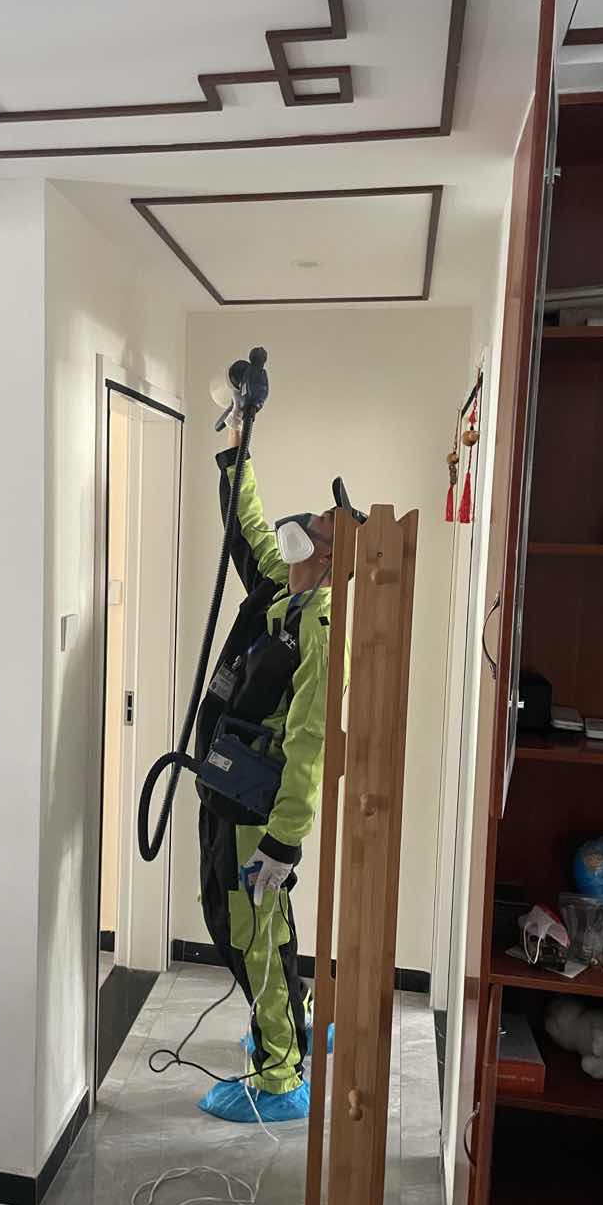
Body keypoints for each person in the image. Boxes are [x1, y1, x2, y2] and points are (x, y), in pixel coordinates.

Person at [196, 413, 351, 1124]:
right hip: (226, 784)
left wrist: (284, 842)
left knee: (250, 933)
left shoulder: (319, 626)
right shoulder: (280, 587)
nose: (303, 524)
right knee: (252, 924)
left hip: (257, 808)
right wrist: (238, 439)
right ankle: (293, 1019)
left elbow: (311, 741)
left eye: (318, 527)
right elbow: (247, 526)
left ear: (332, 559)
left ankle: (281, 1074)